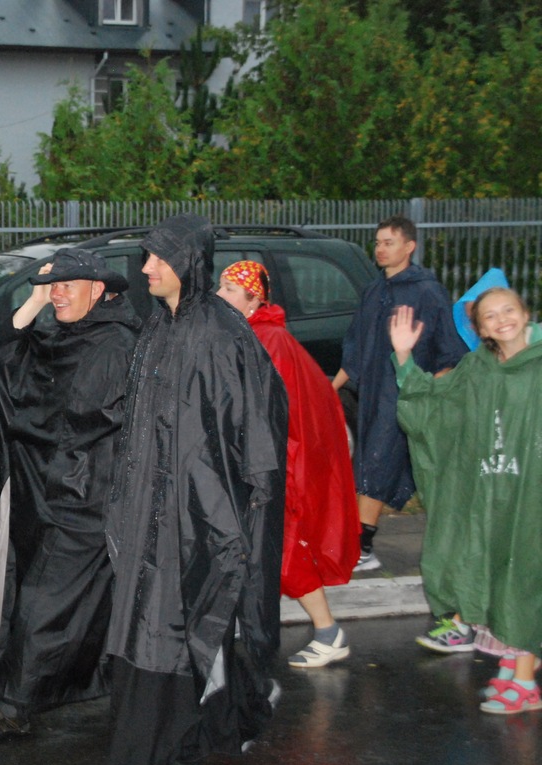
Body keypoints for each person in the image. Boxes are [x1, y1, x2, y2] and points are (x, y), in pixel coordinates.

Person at [104, 214, 287, 765]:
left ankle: (176, 754)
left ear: (186, 262)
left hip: (199, 515)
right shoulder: (159, 326)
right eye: (146, 256)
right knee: (156, 624)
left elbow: (254, 430)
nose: (146, 268)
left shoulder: (219, 332)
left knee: (178, 625)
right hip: (152, 511)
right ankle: (206, 729)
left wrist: (235, 513)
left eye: (158, 257)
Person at [0, 249, 141, 741]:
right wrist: (35, 300)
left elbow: (98, 425)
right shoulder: (61, 335)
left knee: (42, 601)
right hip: (44, 493)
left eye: (66, 285)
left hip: (85, 501)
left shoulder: (118, 345)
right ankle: (95, 689)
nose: (57, 294)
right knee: (50, 599)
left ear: (98, 290)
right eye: (51, 285)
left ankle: (13, 705)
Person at [392, 291, 542, 714]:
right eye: (489, 316)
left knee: (524, 578)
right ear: (479, 328)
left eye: (508, 310)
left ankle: (526, 684)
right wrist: (404, 357)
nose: (502, 320)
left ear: (525, 313)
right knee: (496, 572)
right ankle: (513, 664)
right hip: (492, 492)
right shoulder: (477, 367)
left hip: (532, 495)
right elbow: (436, 407)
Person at [217, 261, 359, 668]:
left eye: (229, 289)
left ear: (254, 299)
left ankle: (328, 631)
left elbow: (275, 413)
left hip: (273, 467)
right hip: (259, 464)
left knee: (282, 551)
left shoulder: (269, 339)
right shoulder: (249, 333)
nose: (219, 295)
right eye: (220, 286)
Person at [331, 215, 467, 575]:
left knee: (380, 466)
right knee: (368, 465)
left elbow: (449, 352)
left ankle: (362, 547)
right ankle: (360, 544)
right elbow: (355, 350)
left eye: (388, 242)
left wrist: (431, 397)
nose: (380, 249)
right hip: (372, 397)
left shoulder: (427, 292)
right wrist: (329, 390)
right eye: (377, 242)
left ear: (409, 247)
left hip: (406, 397)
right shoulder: (373, 291)